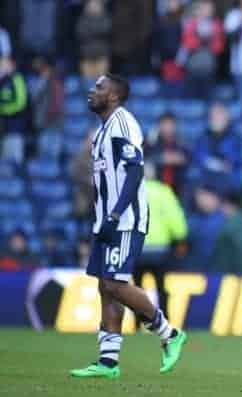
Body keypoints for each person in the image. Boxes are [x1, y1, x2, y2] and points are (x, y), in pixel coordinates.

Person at [70, 74, 187, 379]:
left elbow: (135, 173)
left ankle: (169, 333)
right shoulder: (101, 131)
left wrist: (114, 215)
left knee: (114, 284)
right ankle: (108, 362)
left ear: (114, 96)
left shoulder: (123, 123)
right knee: (104, 287)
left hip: (125, 220)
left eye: (99, 87)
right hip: (106, 220)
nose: (92, 91)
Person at [133, 163, 188, 323]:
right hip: (159, 250)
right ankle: (164, 321)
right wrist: (180, 237)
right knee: (161, 287)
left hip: (137, 249)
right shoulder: (164, 192)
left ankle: (138, 322)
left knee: (137, 288)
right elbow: (175, 218)